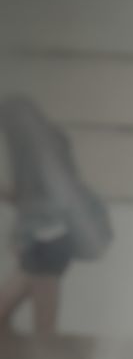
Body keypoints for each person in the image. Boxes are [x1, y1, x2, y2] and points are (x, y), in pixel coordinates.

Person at [0, 95, 112, 337]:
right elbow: (37, 196)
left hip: (48, 243)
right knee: (19, 321)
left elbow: (51, 199)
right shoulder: (47, 144)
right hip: (45, 244)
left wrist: (22, 236)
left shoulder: (36, 149)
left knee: (45, 330)